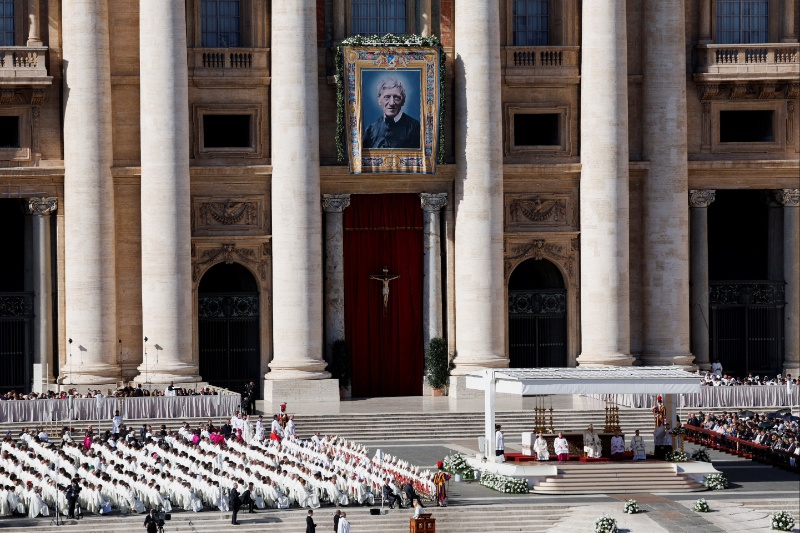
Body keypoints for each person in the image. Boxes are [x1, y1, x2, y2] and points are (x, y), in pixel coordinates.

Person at [362, 77, 421, 149]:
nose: (392, 103)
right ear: (379, 100)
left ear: (403, 101)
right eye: (387, 97)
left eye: (396, 97)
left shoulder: (416, 128)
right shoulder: (370, 130)